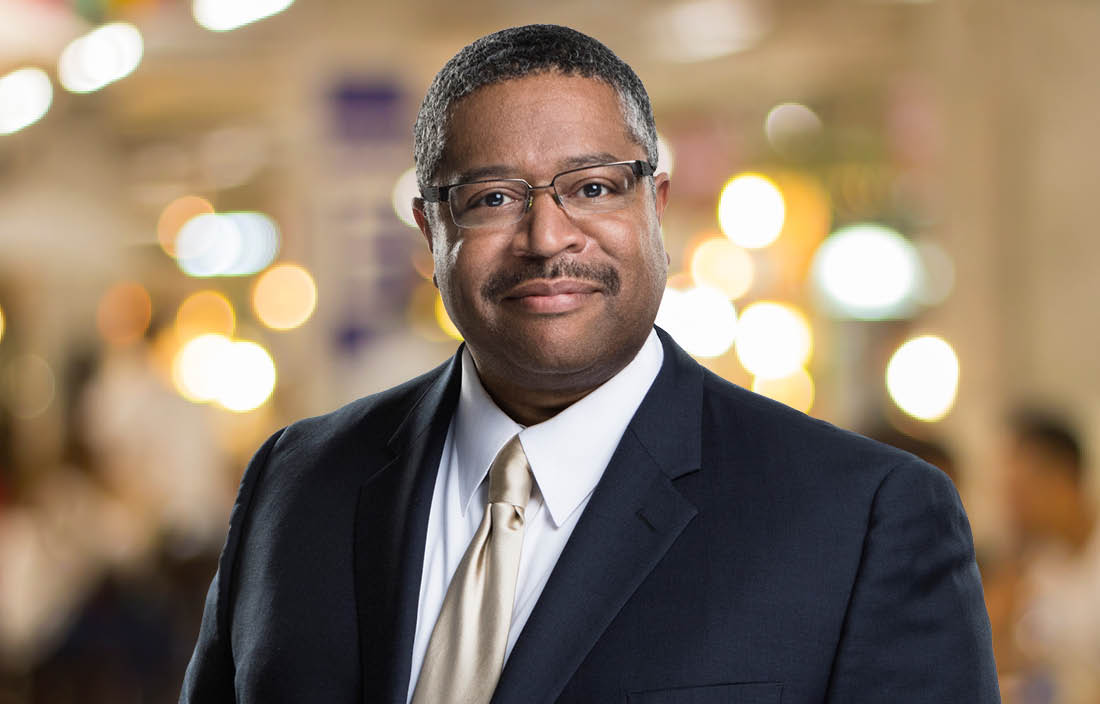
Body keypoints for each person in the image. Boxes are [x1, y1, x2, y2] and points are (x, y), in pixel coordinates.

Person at [180, 24, 999, 703]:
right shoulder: (297, 484)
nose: (547, 236)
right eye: (493, 198)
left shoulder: (861, 520)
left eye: (595, 188)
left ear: (658, 206)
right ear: (429, 234)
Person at [997, 410, 1098, 704]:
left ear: (1060, 478)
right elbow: (1006, 661)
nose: (1012, 508)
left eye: (1020, 493)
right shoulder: (1037, 566)